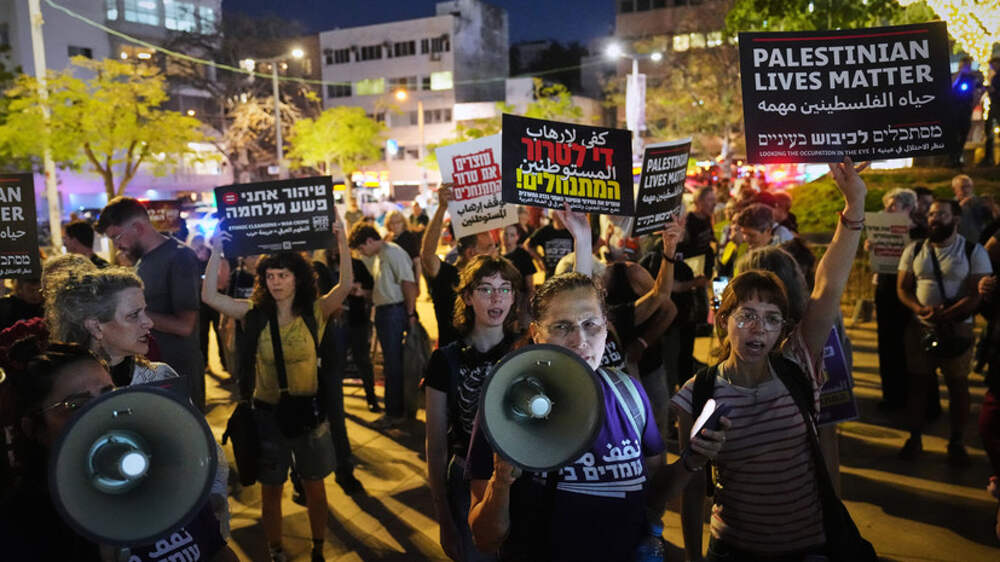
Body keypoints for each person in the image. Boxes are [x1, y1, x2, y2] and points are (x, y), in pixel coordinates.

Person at [673, 158, 869, 560]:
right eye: (746, 315)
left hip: (808, 548)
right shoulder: (697, 392)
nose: (758, 329)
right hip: (732, 550)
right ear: (724, 319)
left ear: (784, 326)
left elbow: (828, 285)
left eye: (771, 318)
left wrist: (854, 207)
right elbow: (691, 488)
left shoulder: (797, 363)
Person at [466, 270, 727, 562]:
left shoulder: (629, 394)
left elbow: (652, 495)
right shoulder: (504, 406)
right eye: (562, 326)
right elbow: (485, 539)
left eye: (590, 324)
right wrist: (501, 482)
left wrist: (692, 460)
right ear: (537, 334)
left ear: (606, 327)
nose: (580, 340)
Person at [201, 214, 352, 562]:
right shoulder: (253, 313)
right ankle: (275, 549)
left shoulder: (315, 311)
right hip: (267, 416)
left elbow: (344, 286)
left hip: (308, 414)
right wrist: (216, 250)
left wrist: (341, 240)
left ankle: (318, 548)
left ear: (298, 278)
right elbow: (209, 296)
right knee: (271, 490)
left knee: (315, 487)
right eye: (270, 276)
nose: (276, 282)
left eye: (283, 275)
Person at [0, 343, 238, 561]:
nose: (101, 412)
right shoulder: (23, 526)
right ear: (33, 428)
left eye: (108, 394)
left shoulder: (163, 479)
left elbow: (218, 552)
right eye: (76, 405)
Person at [424, 255, 522, 561]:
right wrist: (443, 516)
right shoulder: (445, 360)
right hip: (466, 476)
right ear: (467, 297)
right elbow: (435, 443)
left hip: (521, 475)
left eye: (504, 289)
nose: (496, 298)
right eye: (485, 289)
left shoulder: (526, 352)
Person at [897, 198, 992, 466]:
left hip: (957, 328)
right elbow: (903, 287)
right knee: (918, 384)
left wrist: (948, 314)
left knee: (957, 385)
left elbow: (976, 294)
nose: (934, 219)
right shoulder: (915, 249)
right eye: (931, 214)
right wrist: (919, 309)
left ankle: (957, 441)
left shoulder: (973, 251)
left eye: (941, 214)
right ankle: (914, 438)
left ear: (956, 219)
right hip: (921, 328)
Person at [96, 197, 205, 410]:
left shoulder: (179, 257)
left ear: (137, 227)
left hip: (177, 370)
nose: (117, 245)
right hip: (148, 369)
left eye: (116, 237)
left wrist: (128, 314)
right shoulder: (142, 260)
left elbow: (185, 326)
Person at [349, 221, 417, 428]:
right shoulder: (381, 255)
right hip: (386, 312)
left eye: (362, 248)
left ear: (370, 241)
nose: (362, 253)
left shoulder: (393, 253)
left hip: (393, 313)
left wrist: (411, 314)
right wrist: (364, 293)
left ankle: (394, 413)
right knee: (391, 363)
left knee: (393, 364)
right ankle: (395, 411)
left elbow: (408, 284)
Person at [421, 185, 497, 348]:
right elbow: (427, 255)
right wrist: (441, 209)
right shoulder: (446, 275)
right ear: (471, 253)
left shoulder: (491, 279)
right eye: (489, 247)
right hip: (452, 358)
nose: (495, 252)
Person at [871, 188, 924, 411]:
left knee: (910, 346)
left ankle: (915, 399)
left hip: (910, 294)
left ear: (909, 207)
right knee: (887, 343)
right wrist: (872, 248)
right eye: (887, 205)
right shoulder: (882, 229)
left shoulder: (921, 233)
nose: (887, 209)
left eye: (893, 206)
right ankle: (892, 396)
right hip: (885, 291)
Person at [950, 55, 985, 167]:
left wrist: (975, 102)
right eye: (964, 65)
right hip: (955, 108)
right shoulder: (955, 75)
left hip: (966, 108)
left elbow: (980, 89)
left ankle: (958, 155)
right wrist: (960, 74)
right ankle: (953, 158)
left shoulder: (972, 77)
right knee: (955, 133)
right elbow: (952, 85)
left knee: (964, 131)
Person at [501, 223, 537, 330]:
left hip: (519, 298)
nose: (507, 238)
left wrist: (525, 307)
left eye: (512, 235)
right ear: (500, 235)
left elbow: (530, 286)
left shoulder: (523, 255)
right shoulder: (496, 254)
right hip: (501, 296)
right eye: (505, 234)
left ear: (517, 237)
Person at [678, 186, 717, 279]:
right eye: (710, 200)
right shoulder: (688, 221)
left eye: (714, 200)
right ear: (698, 202)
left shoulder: (708, 218)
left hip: (705, 270)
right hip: (692, 274)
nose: (714, 204)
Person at [523, 211, 574, 279]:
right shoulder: (545, 231)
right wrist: (539, 260)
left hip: (569, 275)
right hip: (550, 274)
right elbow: (527, 244)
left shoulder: (573, 231)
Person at [952, 174, 993, 244]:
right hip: (959, 243)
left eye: (969, 186)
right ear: (954, 189)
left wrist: (992, 206)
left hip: (980, 242)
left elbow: (994, 220)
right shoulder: (950, 205)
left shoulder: (979, 202)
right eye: (963, 187)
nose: (966, 190)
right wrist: (961, 205)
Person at [984, 57, 1000, 167]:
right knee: (989, 131)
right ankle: (988, 158)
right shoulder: (995, 77)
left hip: (996, 105)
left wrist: (992, 91)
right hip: (994, 105)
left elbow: (995, 91)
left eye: (993, 65)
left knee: (989, 131)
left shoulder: (997, 77)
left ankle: (988, 158)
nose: (993, 68)